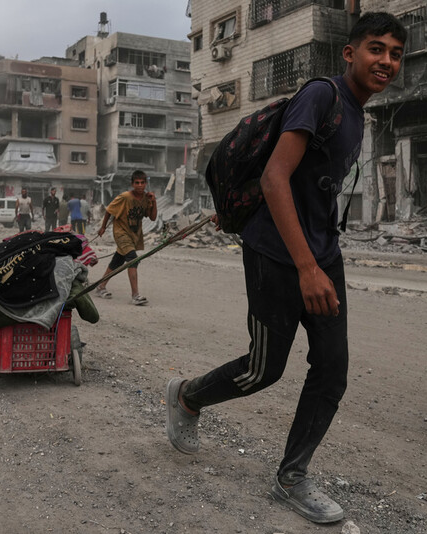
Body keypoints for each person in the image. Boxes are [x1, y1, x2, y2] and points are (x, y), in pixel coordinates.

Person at [165, 12, 406, 525]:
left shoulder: (359, 114)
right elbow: (275, 179)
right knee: (264, 368)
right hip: (276, 254)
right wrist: (306, 268)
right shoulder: (322, 96)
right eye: (377, 49)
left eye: (396, 53)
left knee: (332, 370)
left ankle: (291, 476)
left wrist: (321, 263)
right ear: (350, 53)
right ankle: (186, 397)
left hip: (323, 254)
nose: (387, 61)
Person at [94, 170, 157, 305]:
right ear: (132, 184)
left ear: (146, 183)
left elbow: (152, 217)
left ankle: (101, 286)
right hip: (121, 233)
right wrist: (103, 227)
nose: (140, 186)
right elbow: (109, 210)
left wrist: (154, 201)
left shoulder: (147, 198)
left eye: (142, 183)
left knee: (117, 260)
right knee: (133, 259)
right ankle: (135, 295)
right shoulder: (124, 197)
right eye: (137, 183)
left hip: (134, 235)